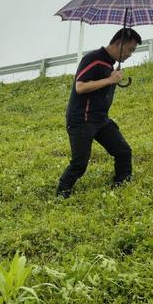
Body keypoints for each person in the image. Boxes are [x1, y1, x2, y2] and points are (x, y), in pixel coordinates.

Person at [56, 28, 141, 198]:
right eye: (130, 49)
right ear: (119, 43)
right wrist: (110, 80)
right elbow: (80, 87)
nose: (131, 54)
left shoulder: (109, 63)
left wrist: (113, 78)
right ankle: (61, 195)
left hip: (100, 119)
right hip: (81, 119)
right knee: (79, 164)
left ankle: (122, 185)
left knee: (123, 151)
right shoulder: (93, 58)